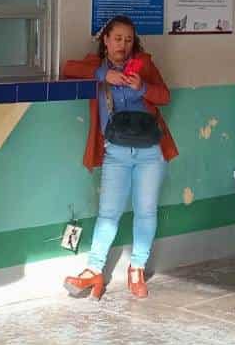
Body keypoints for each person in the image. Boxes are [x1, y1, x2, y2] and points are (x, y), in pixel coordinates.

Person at [60, 16, 178, 300]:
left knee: (146, 211)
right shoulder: (96, 66)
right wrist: (104, 75)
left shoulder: (143, 64)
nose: (122, 45)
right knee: (108, 213)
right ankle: (94, 270)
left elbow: (164, 96)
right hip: (116, 151)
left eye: (128, 40)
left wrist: (143, 88)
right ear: (106, 40)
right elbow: (67, 69)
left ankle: (137, 267)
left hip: (150, 151)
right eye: (117, 39)